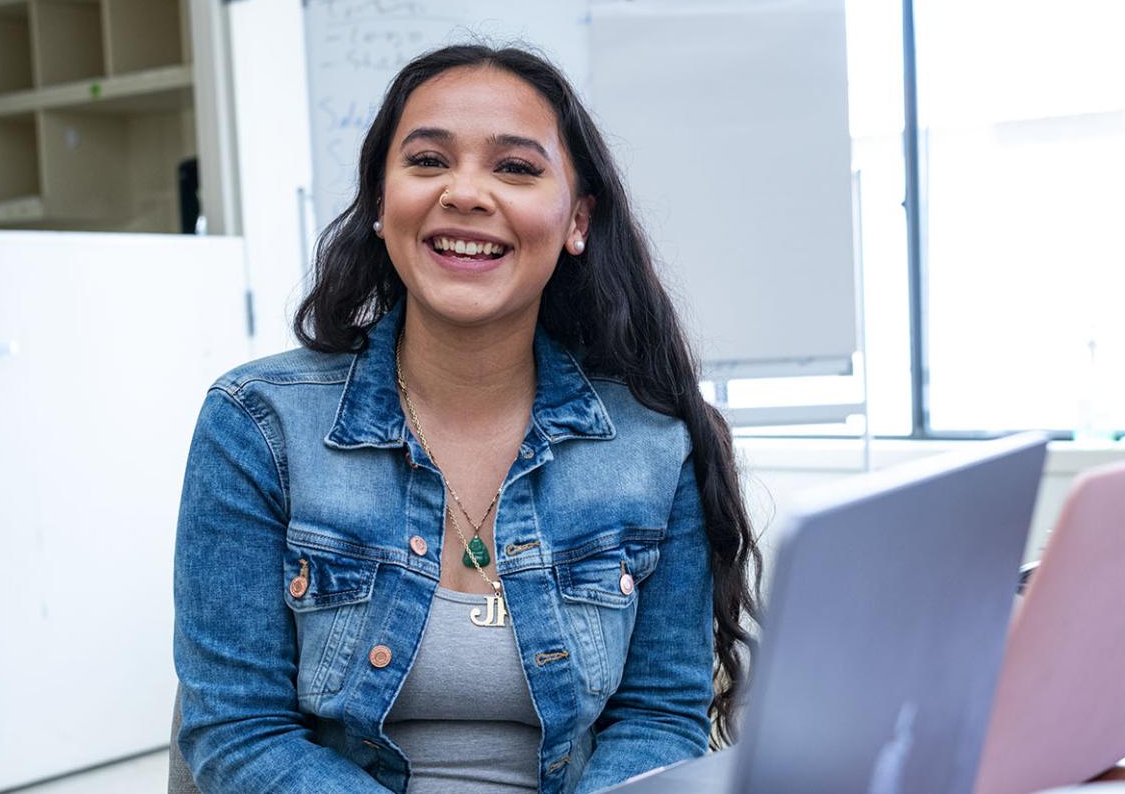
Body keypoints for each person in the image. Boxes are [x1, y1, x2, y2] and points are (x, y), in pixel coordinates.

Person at [172, 44, 760, 794]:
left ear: (578, 220)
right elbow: (236, 733)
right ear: (382, 206)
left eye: (515, 168)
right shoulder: (256, 425)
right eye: (426, 161)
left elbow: (657, 717)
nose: (466, 193)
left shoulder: (655, 444)